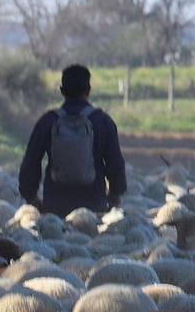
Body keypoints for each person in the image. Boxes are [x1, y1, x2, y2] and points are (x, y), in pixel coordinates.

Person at [18, 64, 126, 216]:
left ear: (62, 90)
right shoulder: (103, 121)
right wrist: (114, 195)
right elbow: (115, 163)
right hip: (94, 207)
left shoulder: (48, 121)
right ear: (88, 90)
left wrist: (31, 197)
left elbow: (30, 162)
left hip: (55, 208)